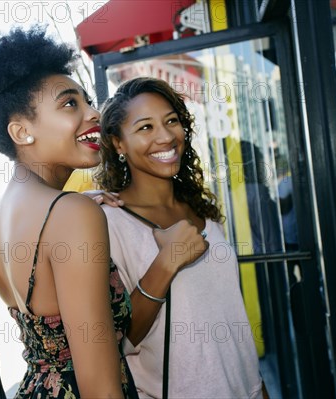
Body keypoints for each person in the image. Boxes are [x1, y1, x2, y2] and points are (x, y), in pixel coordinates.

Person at [0, 26, 137, 398]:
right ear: (22, 132)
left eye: (88, 101)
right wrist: (78, 215)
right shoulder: (70, 215)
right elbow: (101, 388)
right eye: (70, 103)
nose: (93, 113)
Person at [96, 77, 264, 398]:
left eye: (171, 121)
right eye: (145, 127)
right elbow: (120, 339)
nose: (165, 136)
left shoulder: (200, 207)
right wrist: (167, 262)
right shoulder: (109, 223)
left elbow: (229, 314)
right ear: (118, 143)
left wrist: (258, 385)